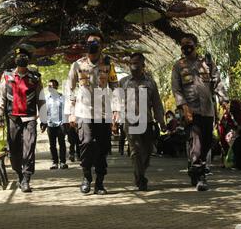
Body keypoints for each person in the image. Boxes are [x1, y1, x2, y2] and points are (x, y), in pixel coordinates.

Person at [171, 33, 229, 191]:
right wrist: (183, 106)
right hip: (190, 110)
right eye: (183, 45)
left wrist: (223, 100)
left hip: (208, 110)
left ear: (195, 45)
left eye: (188, 44)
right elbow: (176, 89)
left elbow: (217, 82)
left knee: (207, 142)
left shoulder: (207, 63)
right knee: (195, 142)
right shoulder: (178, 66)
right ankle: (200, 175)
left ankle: (195, 169)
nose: (186, 47)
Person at [66, 31, 118, 195]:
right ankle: (86, 176)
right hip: (83, 112)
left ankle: (100, 183)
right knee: (86, 143)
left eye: (96, 42)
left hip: (102, 113)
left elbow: (115, 87)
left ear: (102, 46)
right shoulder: (77, 65)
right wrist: (71, 112)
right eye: (90, 42)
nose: (93, 44)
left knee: (102, 149)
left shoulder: (109, 65)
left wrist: (117, 109)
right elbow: (69, 88)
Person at [113, 53, 167, 191]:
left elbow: (157, 104)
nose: (133, 66)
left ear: (143, 66)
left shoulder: (150, 83)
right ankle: (141, 179)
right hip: (130, 122)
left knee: (148, 151)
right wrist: (114, 119)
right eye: (131, 63)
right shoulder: (123, 82)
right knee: (136, 150)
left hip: (147, 121)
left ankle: (139, 173)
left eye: (137, 63)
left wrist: (161, 121)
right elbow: (116, 102)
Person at [0, 47, 45, 193]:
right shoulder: (7, 76)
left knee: (29, 148)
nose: (21, 58)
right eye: (19, 56)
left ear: (28, 60)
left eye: (24, 56)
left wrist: (44, 119)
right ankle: (19, 173)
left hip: (29, 118)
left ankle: (26, 179)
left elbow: (40, 98)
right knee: (14, 149)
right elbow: (1, 96)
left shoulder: (35, 78)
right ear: (15, 59)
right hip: (12, 117)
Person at [42, 79, 68, 170]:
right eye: (48, 86)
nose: (50, 88)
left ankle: (63, 162)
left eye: (51, 86)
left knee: (62, 143)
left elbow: (66, 110)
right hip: (50, 124)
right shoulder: (46, 98)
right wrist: (43, 123)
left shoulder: (62, 97)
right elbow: (43, 111)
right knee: (52, 144)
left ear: (56, 87)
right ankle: (55, 162)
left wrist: (67, 122)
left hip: (61, 123)